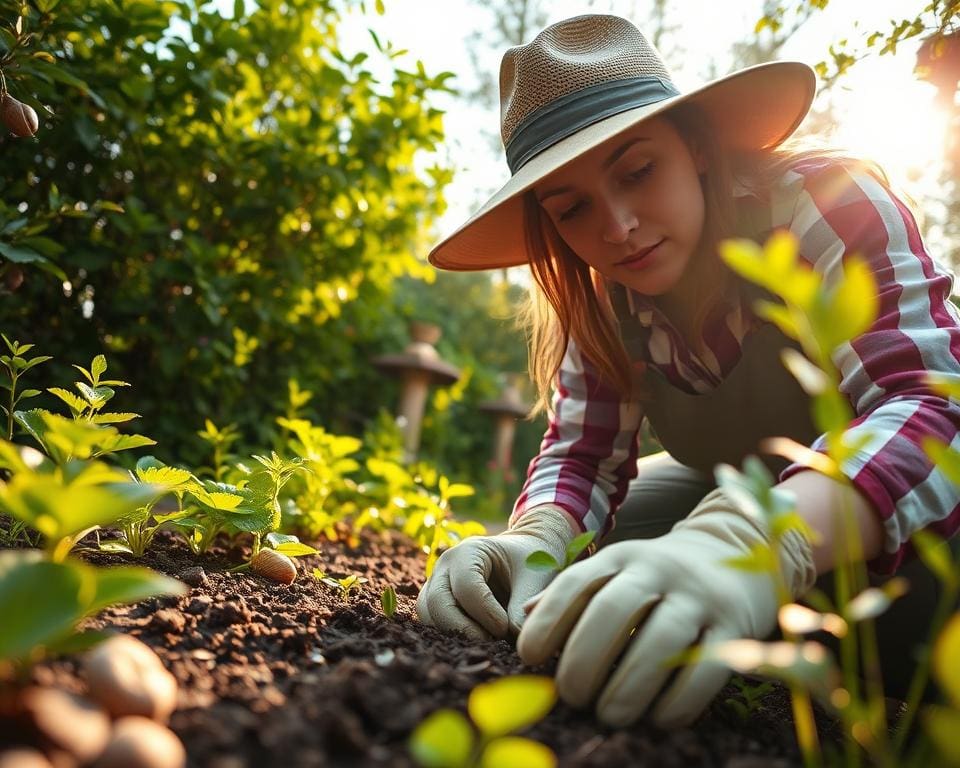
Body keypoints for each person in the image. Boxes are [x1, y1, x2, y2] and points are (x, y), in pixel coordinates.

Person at [416, 14, 960, 729]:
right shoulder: (604, 295)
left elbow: (930, 408)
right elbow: (582, 456)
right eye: (573, 208)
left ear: (696, 148)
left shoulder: (825, 203)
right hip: (745, 489)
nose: (616, 229)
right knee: (602, 556)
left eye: (638, 172)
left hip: (901, 514)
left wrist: (751, 542)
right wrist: (534, 540)